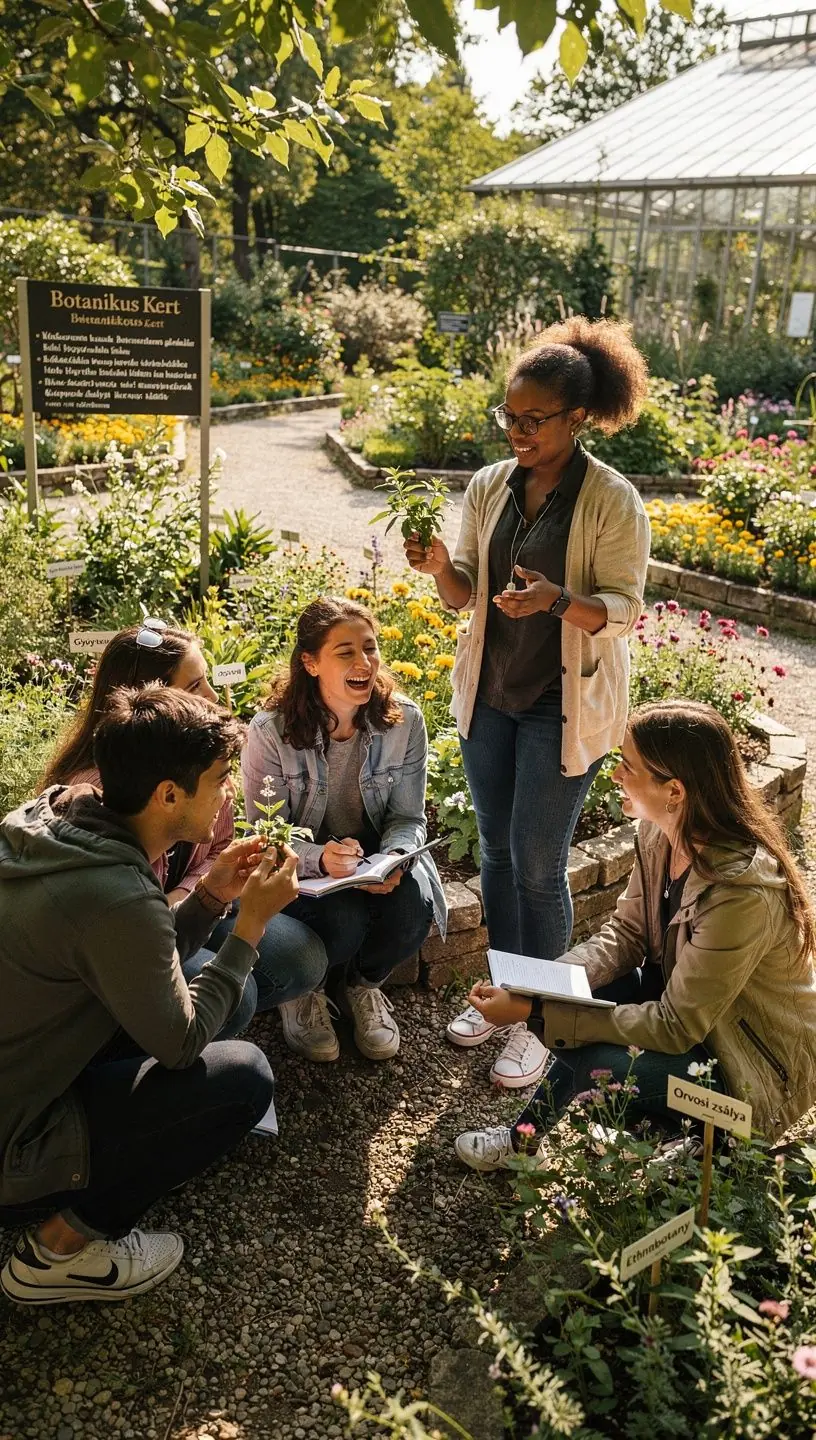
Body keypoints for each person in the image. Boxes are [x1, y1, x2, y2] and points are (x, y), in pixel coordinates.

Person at [404, 316, 651, 1090]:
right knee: (499, 851)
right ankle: (505, 996)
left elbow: (622, 611)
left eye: (533, 420)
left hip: (561, 704)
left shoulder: (611, 500)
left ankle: (545, 1020)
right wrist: (442, 566)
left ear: (578, 418)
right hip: (491, 697)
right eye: (508, 417)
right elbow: (463, 597)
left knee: (541, 867)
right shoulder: (488, 486)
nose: (517, 432)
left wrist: (554, 601)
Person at [0, 684, 299, 1304]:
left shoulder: (58, 818)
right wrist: (249, 926)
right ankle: (59, 1253)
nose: (227, 797)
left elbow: (129, 955)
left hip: (21, 1076)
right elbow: (182, 1043)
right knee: (241, 1078)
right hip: (12, 1147)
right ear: (168, 794)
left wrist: (212, 896)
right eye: (219, 781)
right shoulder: (116, 894)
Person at [454, 700, 816, 1170]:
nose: (616, 774)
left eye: (629, 766)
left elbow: (675, 1025)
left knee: (596, 1071)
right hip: (698, 1023)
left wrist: (534, 1010)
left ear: (675, 791)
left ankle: (718, 1147)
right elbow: (625, 934)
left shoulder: (740, 892)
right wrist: (539, 983)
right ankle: (524, 1145)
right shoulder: (659, 835)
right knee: (586, 997)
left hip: (749, 1073)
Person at [42, 621, 328, 1035]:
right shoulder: (98, 798)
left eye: (209, 681)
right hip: (126, 946)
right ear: (148, 705)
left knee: (303, 957)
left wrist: (194, 894)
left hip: (185, 910)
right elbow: (129, 929)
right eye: (194, 688)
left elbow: (219, 844)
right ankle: (149, 1043)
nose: (213, 699)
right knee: (233, 999)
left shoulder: (200, 765)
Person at [242, 597, 446, 1063]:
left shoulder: (405, 721)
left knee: (413, 906)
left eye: (370, 648)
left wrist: (395, 858)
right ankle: (305, 991)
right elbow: (266, 832)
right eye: (345, 652)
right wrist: (318, 858)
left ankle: (363, 987)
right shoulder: (269, 732)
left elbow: (407, 818)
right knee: (342, 919)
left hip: (372, 858)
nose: (364, 663)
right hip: (305, 863)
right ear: (310, 663)